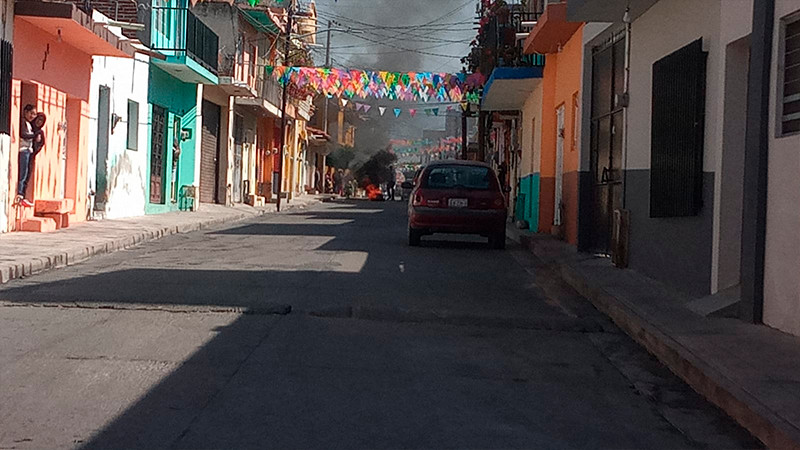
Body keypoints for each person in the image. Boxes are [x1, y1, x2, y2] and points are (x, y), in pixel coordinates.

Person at [16, 105, 39, 207]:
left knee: (27, 174)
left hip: (29, 151)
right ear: (25, 112)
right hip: (24, 150)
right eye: (31, 113)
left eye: (34, 114)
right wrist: (34, 136)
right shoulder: (23, 122)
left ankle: (23, 195)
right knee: (23, 173)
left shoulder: (30, 125)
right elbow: (23, 134)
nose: (32, 116)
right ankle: (20, 195)